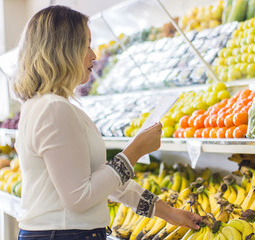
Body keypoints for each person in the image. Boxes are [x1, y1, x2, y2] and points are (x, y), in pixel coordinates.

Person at [13, 5, 201, 240]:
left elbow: (103, 178)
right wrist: (135, 151)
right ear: (63, 50)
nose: (94, 55)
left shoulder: (45, 106)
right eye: (86, 45)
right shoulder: (54, 109)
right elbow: (80, 197)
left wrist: (168, 213)